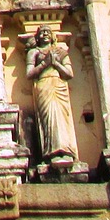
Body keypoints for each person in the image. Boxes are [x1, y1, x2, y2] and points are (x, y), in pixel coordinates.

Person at [26, 26, 77, 160]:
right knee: (48, 117)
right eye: (42, 32)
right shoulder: (34, 52)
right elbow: (29, 74)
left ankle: (66, 150)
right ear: (37, 37)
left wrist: (56, 64)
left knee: (61, 118)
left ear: (52, 36)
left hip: (59, 85)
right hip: (44, 85)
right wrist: (45, 63)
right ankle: (51, 151)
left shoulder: (60, 52)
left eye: (47, 32)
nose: (45, 34)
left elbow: (69, 74)